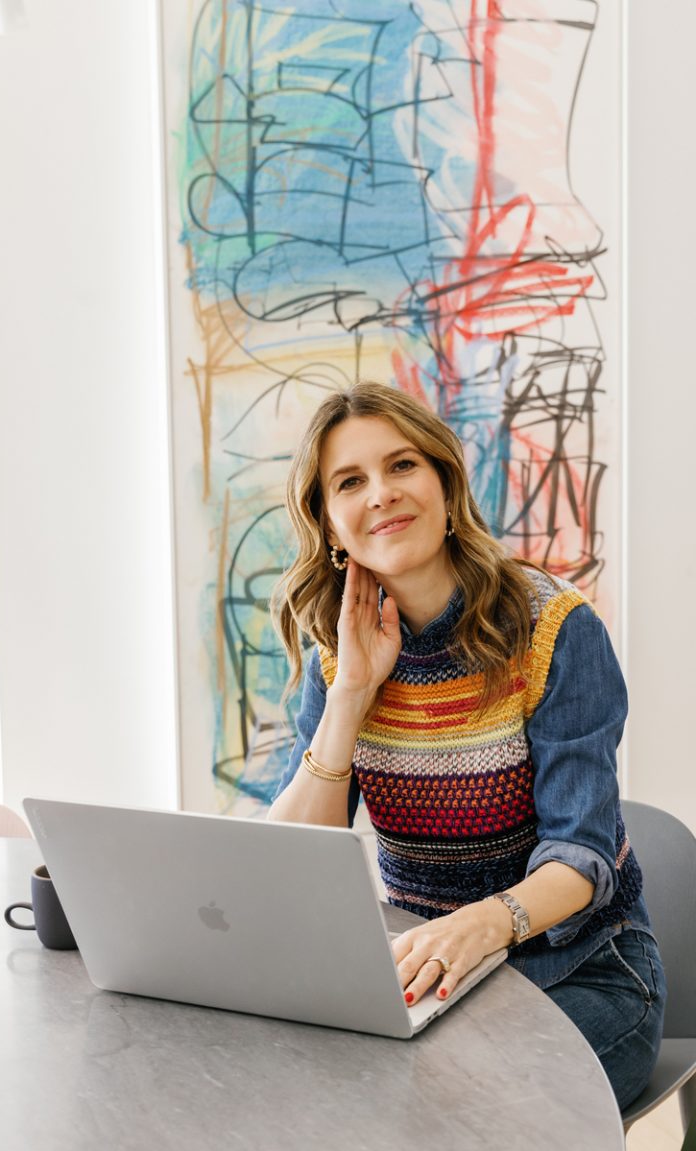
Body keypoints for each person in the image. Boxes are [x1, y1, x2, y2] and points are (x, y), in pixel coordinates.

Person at [268, 381, 665, 1111]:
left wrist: (482, 925)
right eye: (350, 481)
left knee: (426, 1112)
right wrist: (352, 692)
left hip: (580, 976)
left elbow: (580, 855)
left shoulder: (555, 630)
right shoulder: (339, 654)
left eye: (403, 465)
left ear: (446, 487)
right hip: (431, 983)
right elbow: (288, 865)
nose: (381, 492)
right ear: (330, 525)